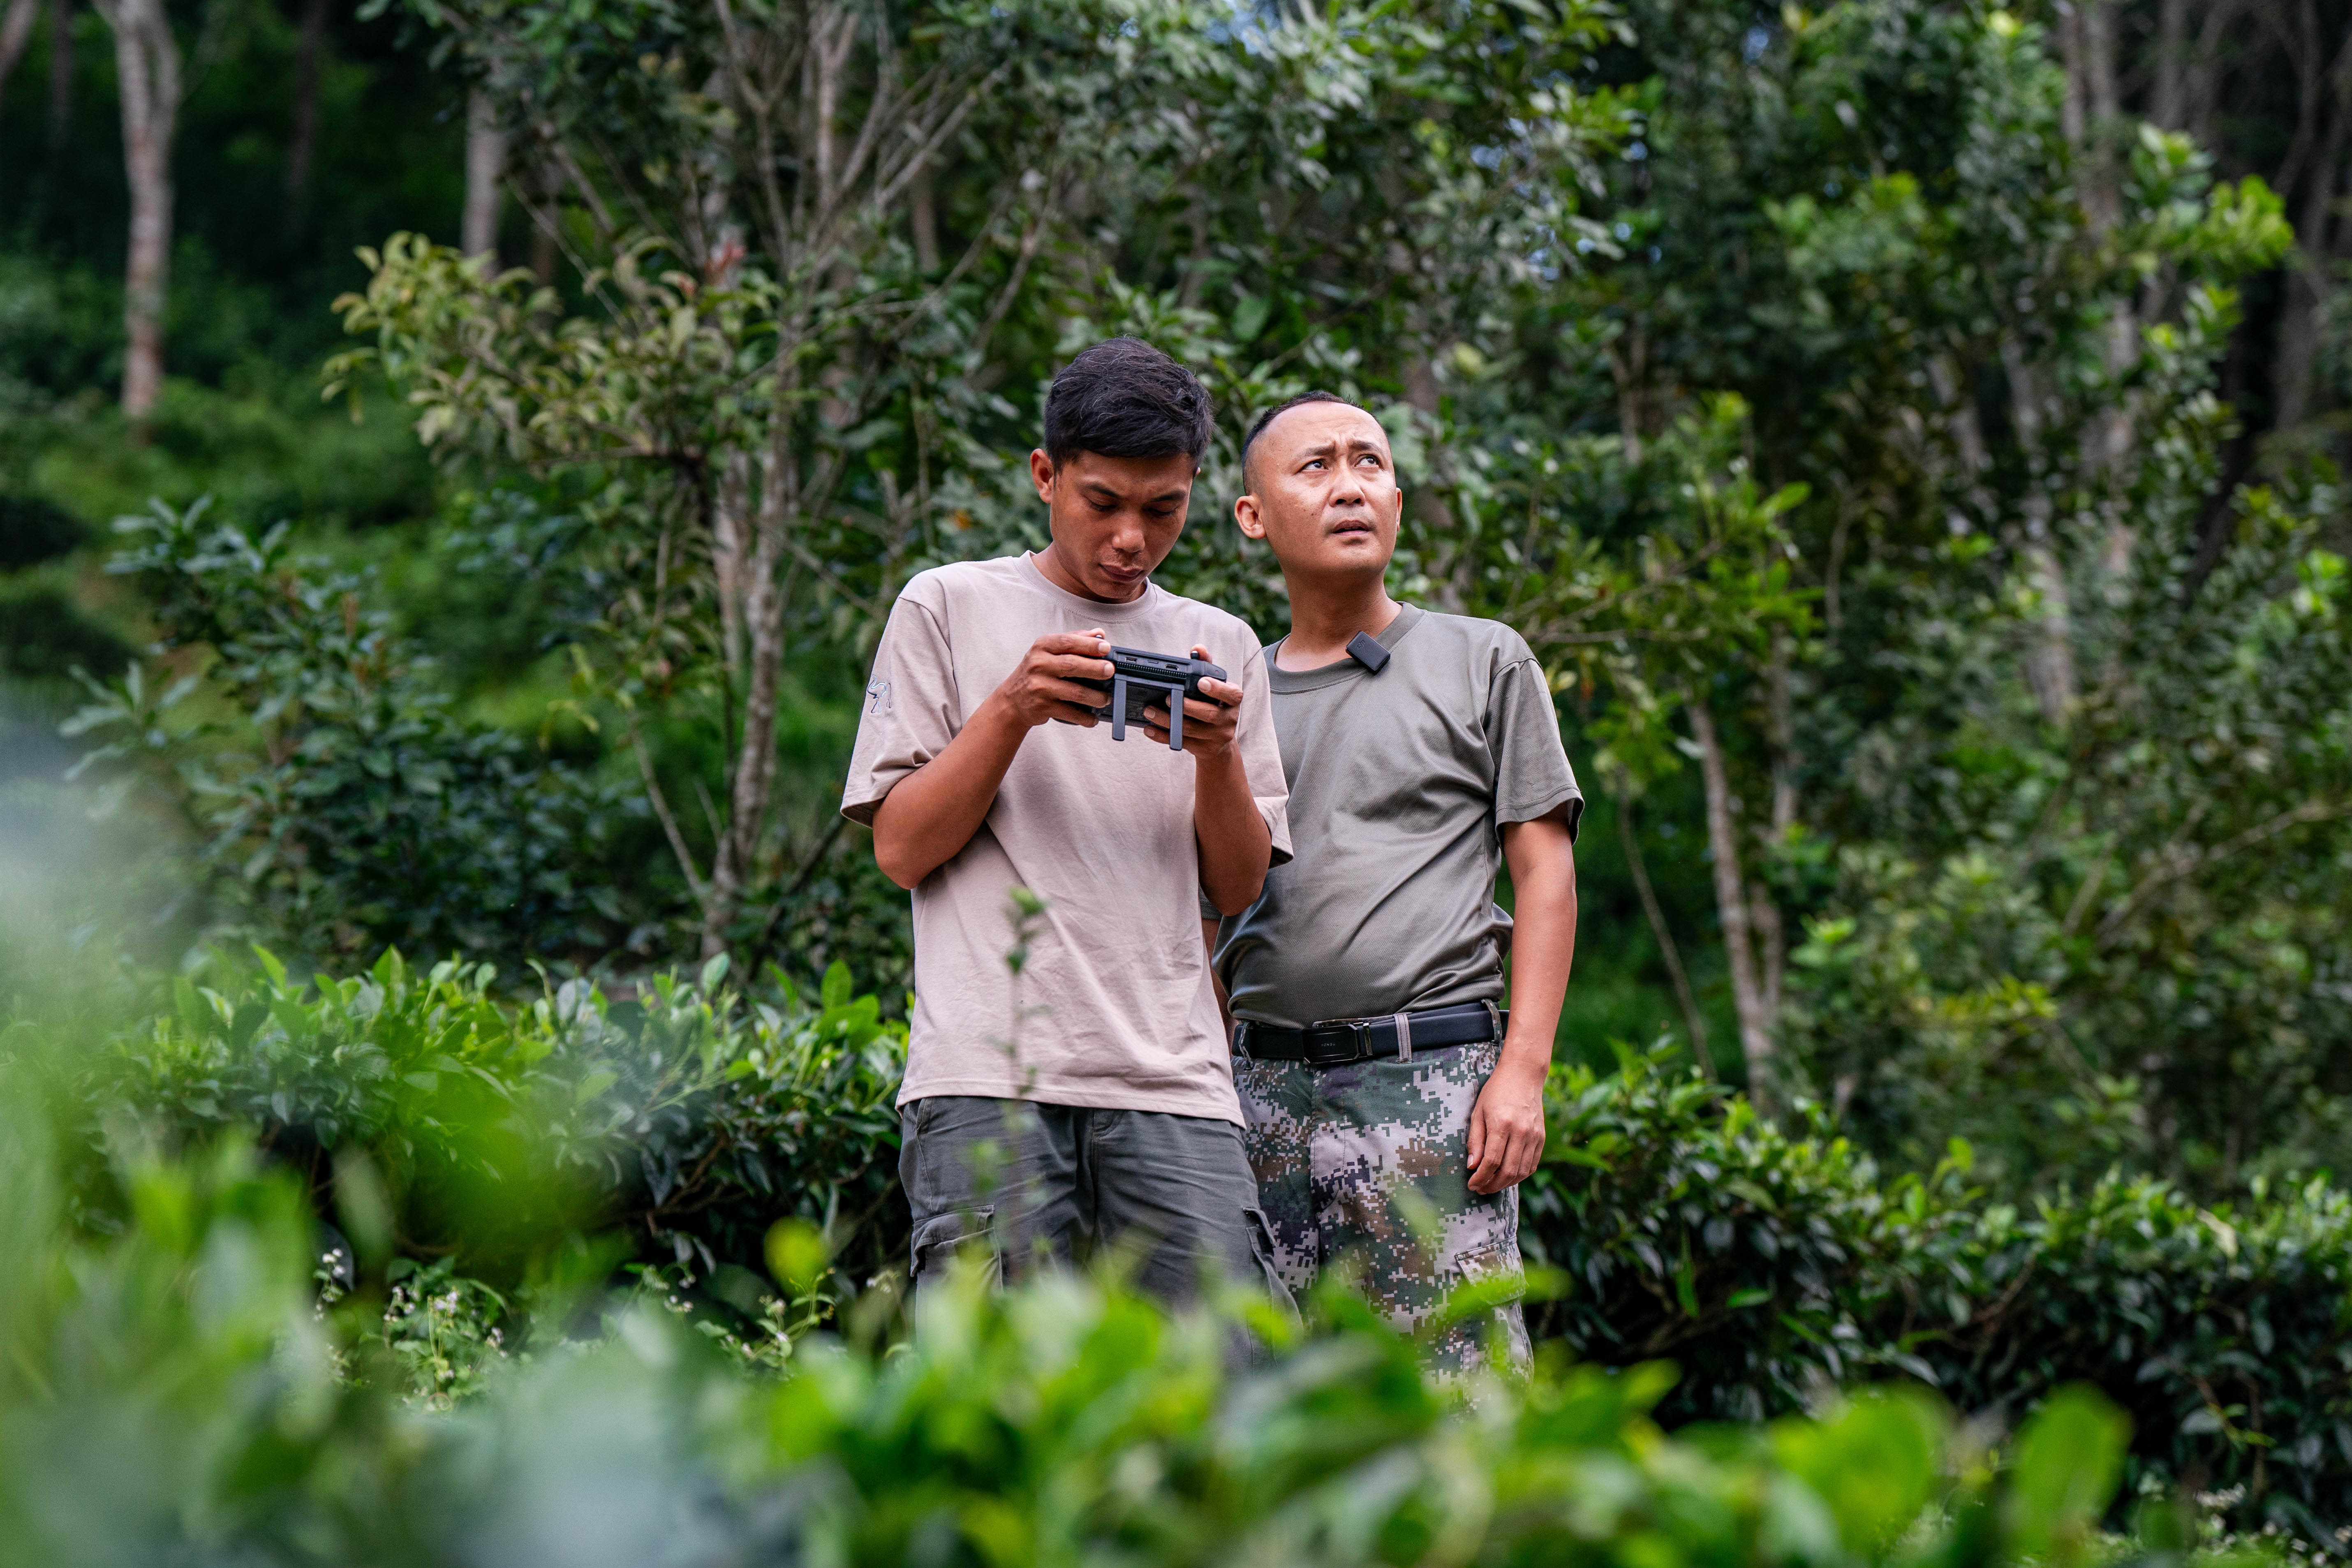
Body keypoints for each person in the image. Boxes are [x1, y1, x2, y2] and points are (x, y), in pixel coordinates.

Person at [842, 337, 1294, 1312]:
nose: (1131, 537)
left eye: (1162, 508)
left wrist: (1215, 755)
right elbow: (901, 848)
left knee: (1226, 1391)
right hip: (985, 1075)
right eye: (1103, 502)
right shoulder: (947, 604)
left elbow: (1239, 886)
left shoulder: (1222, 644)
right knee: (994, 1410)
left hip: (1174, 1081)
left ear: (1193, 493)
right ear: (1045, 475)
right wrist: (1012, 708)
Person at [1207, 391, 1582, 1370]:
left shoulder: (1481, 658)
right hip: (1260, 1093)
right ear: (1252, 516)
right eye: (1315, 467)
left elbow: (1544, 871)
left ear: (1399, 500)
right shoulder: (1223, 693)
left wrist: (1522, 1074)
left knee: (1452, 1405)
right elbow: (1199, 906)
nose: (1348, 487)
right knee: (1265, 1409)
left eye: (1368, 462)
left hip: (1432, 1085)